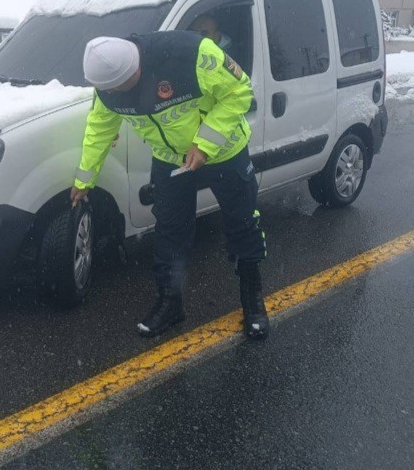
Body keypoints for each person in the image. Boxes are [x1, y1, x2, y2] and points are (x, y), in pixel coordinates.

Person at [70, 32, 269, 339]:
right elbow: (99, 128)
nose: (118, 94)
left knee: (242, 224)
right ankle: (170, 303)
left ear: (134, 69)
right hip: (170, 159)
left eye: (123, 86)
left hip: (224, 151)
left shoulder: (191, 55)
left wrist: (204, 145)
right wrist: (84, 179)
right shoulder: (108, 89)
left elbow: (239, 92)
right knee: (169, 232)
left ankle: (252, 300)